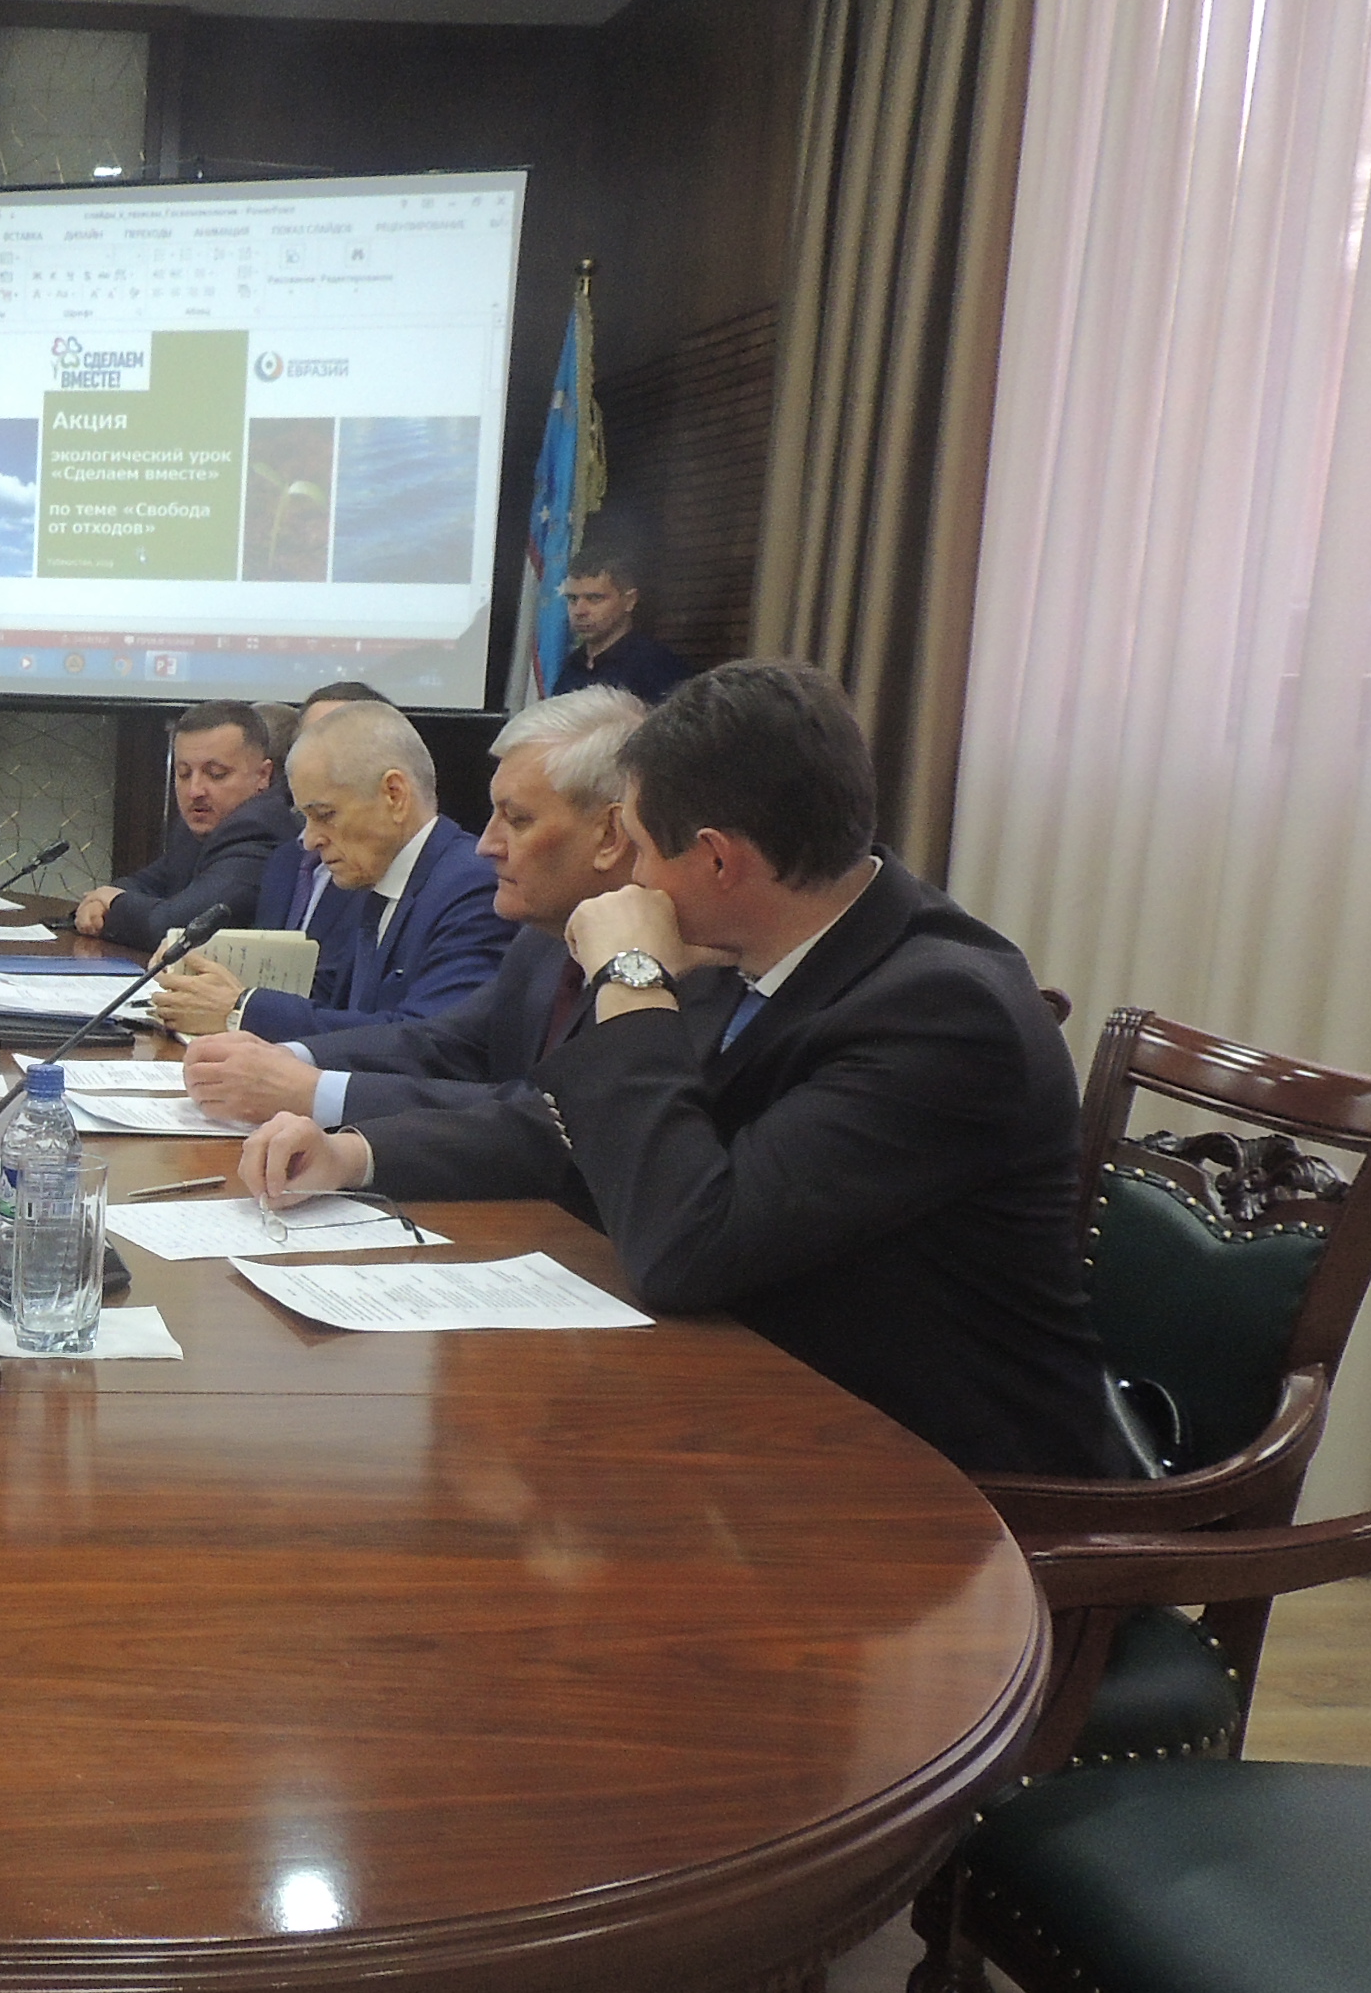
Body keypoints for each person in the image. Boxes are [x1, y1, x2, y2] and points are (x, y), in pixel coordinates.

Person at [253, 661, 1123, 1479]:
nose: (627, 876)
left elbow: (687, 1247)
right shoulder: (749, 947)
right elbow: (569, 1127)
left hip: (940, 1482)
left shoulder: (940, 1012)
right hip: (758, 1405)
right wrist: (356, 1154)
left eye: (637, 846)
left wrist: (629, 979)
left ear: (716, 859)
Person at [186, 688, 645, 1167]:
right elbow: (443, 1042)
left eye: (517, 819)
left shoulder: (659, 959)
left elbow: (555, 1118)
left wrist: (319, 1098)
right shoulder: (543, 941)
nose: (487, 844)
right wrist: (290, 1059)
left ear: (610, 834)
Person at [151, 697, 511, 1041]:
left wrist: (242, 1009)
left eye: (324, 815)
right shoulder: (374, 874)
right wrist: (202, 969)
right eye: (305, 818)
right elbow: (328, 997)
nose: (309, 841)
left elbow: (427, 1038)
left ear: (394, 795)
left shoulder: (473, 888)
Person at [69, 701, 294, 951]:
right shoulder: (204, 823)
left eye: (216, 773)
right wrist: (100, 899)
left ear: (263, 775)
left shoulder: (260, 829)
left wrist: (112, 902)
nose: (195, 791)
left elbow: (176, 927)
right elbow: (149, 883)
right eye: (184, 773)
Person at [242, 682, 383, 1005]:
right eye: (312, 743)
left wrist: (244, 1003)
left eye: (339, 747)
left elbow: (335, 992)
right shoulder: (286, 859)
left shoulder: (378, 871)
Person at [555, 535, 694, 704]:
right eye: (572, 599)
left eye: (594, 598)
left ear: (629, 601)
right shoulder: (571, 665)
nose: (579, 611)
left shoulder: (658, 667)